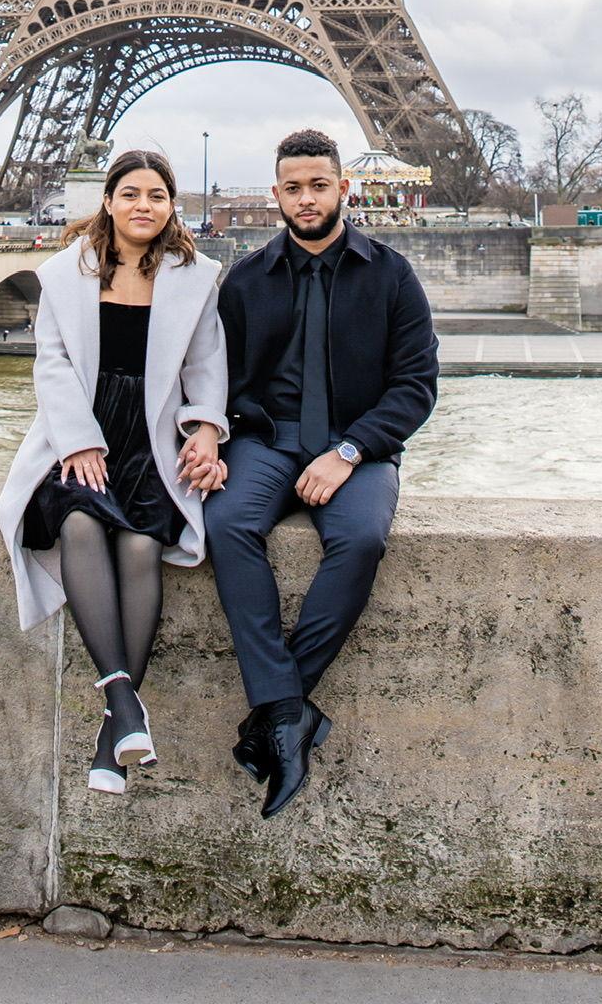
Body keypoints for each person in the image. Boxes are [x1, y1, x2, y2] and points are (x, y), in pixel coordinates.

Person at [203, 128, 437, 818]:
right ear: (276, 195)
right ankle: (289, 712)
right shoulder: (244, 280)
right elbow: (216, 377)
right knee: (226, 524)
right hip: (269, 441)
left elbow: (416, 385)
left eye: (319, 185)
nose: (306, 199)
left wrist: (352, 451)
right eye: (293, 188)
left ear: (343, 188)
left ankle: (279, 709)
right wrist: (210, 432)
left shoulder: (392, 276)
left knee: (360, 539)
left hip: (356, 445)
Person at [0, 147, 230, 796]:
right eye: (130, 194)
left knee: (139, 545)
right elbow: (52, 364)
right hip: (83, 433)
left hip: (152, 438)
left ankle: (114, 728)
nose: (143, 206)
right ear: (107, 201)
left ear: (172, 206)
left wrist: (206, 430)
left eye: (156, 196)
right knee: (78, 525)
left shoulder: (196, 277)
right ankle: (124, 704)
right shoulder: (66, 272)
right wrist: (77, 442)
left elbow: (207, 366)